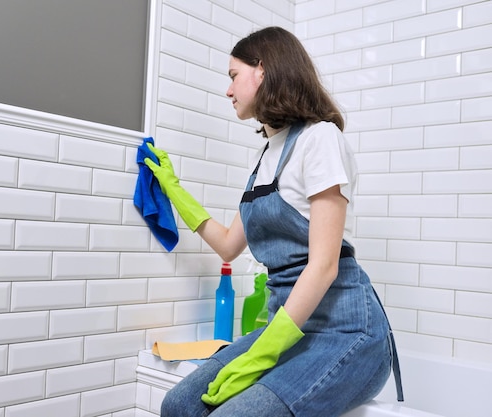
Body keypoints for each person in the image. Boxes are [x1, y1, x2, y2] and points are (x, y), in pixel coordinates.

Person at [144, 26, 402, 417]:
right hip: (286, 331)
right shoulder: (263, 157)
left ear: (261, 70)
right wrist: (174, 189)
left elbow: (324, 265)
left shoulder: (320, 139)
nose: (228, 91)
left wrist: (261, 354)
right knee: (178, 404)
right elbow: (231, 244)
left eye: (233, 76)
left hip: (347, 335)